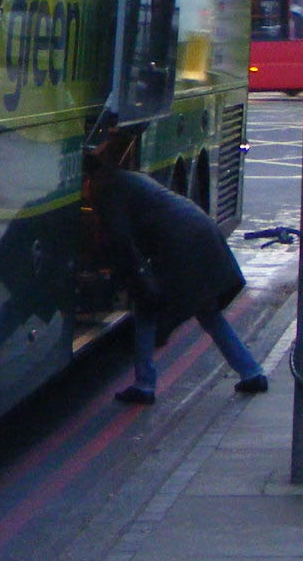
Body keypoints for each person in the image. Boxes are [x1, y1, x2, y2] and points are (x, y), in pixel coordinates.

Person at [85, 134, 268, 404]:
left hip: (181, 244)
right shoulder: (124, 178)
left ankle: (145, 385)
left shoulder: (107, 189)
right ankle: (251, 372)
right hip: (198, 231)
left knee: (147, 310)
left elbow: (122, 241)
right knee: (206, 311)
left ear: (88, 177)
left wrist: (127, 275)